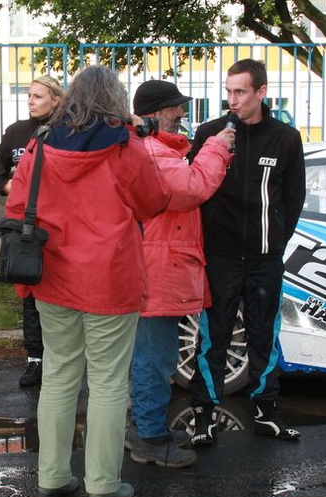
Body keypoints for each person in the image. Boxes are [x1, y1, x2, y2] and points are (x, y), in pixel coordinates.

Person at [5, 65, 170, 497]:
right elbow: (154, 201)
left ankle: (52, 476)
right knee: (109, 382)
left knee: (58, 376)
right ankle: (102, 483)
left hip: (53, 277)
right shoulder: (125, 147)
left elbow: (18, 206)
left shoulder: (39, 145)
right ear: (115, 101)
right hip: (110, 279)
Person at [186, 58, 306, 445]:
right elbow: (194, 187)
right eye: (228, 91)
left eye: (240, 92)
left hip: (264, 261)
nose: (232, 99)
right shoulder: (210, 132)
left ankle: (265, 411)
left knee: (263, 337)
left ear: (261, 92)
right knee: (212, 337)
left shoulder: (285, 138)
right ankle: (203, 415)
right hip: (219, 258)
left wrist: (273, 243)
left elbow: (293, 198)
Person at [126, 80, 235, 468]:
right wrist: (218, 148)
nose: (182, 115)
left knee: (150, 355)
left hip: (158, 265)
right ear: (155, 113)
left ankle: (142, 426)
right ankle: (150, 438)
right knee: (155, 358)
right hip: (158, 268)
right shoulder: (154, 150)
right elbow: (192, 188)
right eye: (176, 108)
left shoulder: (153, 147)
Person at [0, 75, 63, 386]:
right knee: (29, 291)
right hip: (24, 226)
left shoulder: (67, 132)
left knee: (59, 294)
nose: (30, 101)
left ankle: (62, 357)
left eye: (37, 96)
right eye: (29, 95)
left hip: (59, 225)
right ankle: (35, 359)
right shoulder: (17, 131)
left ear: (55, 100)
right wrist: (4, 184)